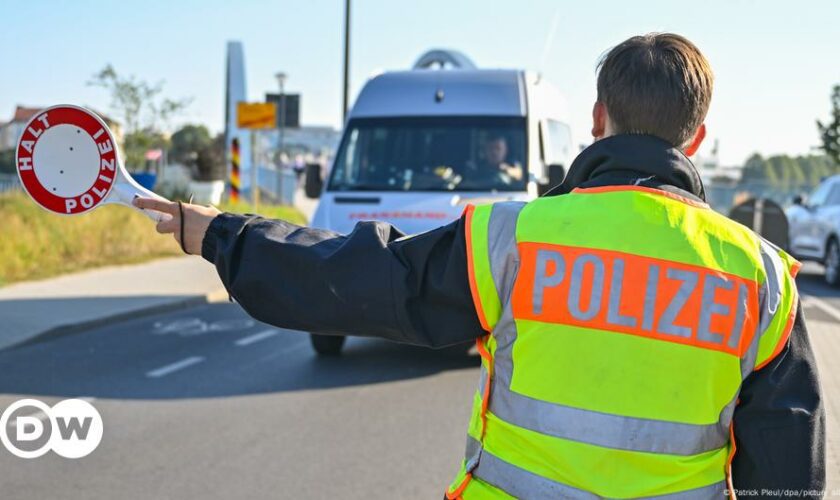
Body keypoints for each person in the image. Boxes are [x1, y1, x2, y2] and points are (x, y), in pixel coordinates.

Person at [136, 33, 825, 498]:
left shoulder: (514, 238)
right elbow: (788, 475)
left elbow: (354, 281)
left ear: (596, 117)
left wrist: (222, 236)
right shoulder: (760, 279)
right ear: (698, 136)